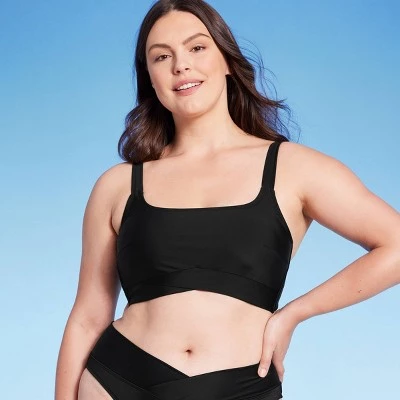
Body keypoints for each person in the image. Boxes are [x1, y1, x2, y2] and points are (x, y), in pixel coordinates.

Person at [55, 1, 400, 399]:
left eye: (197, 47)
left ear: (227, 61)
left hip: (240, 387)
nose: (181, 65)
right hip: (118, 382)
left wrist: (295, 313)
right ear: (149, 77)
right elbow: (88, 316)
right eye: (161, 56)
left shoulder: (294, 168)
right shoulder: (117, 185)